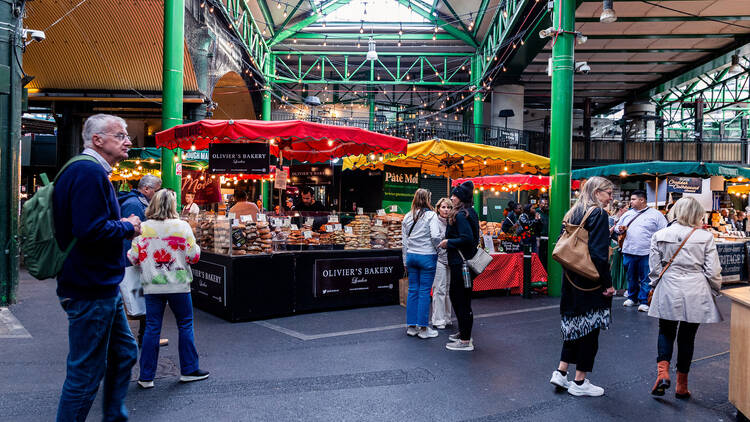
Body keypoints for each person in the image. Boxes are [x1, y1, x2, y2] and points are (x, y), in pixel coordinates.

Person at [52, 114, 140, 421]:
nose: (128, 141)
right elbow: (89, 229)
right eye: (120, 136)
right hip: (91, 288)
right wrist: (127, 226)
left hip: (100, 285)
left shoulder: (85, 171)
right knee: (85, 374)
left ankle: (115, 416)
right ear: (98, 140)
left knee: (125, 352)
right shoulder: (88, 173)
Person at [128, 189, 209, 389]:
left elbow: (133, 258)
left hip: (152, 285)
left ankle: (146, 376)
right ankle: (189, 370)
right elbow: (193, 257)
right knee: (185, 324)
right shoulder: (182, 227)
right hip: (178, 284)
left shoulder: (143, 228)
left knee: (151, 329)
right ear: (173, 206)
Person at [648, 197, 722, 399]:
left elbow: (654, 267)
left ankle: (662, 374)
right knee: (688, 337)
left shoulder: (660, 234)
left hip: (669, 285)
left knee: (666, 331)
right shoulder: (705, 237)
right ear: (698, 214)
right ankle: (682, 385)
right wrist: (715, 290)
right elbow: (713, 271)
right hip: (696, 287)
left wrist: (656, 284)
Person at [549, 176, 615, 397]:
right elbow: (598, 253)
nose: (610, 198)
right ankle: (579, 382)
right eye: (608, 193)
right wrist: (607, 284)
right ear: (597, 192)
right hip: (590, 280)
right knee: (589, 330)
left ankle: (561, 371)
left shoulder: (573, 212)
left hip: (571, 277)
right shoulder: (598, 214)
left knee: (573, 325)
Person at [118, 174, 166, 347]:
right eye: (156, 190)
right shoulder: (134, 204)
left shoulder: (136, 202)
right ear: (146, 189)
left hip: (132, 257)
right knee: (138, 300)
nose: (157, 194)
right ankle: (144, 338)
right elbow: (137, 234)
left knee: (140, 299)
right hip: (132, 259)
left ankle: (145, 336)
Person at [439, 180, 480, 352]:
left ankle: (465, 340)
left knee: (460, 299)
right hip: (464, 263)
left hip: (461, 264)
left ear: (461, 198)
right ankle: (464, 332)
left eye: (455, 196)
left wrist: (448, 242)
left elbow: (467, 238)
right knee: (461, 298)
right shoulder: (470, 212)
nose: (452, 198)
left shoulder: (462, 215)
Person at [614, 190, 667, 312]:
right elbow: (617, 227)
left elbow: (664, 230)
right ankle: (632, 297)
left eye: (633, 199)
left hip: (647, 252)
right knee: (631, 276)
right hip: (628, 250)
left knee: (646, 277)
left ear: (642, 200)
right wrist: (619, 229)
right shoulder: (627, 214)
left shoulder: (656, 214)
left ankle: (644, 300)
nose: (630, 202)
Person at [402, 189, 442, 339]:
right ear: (428, 199)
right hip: (427, 256)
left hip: (411, 256)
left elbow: (404, 242)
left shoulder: (407, 216)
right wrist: (438, 249)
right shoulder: (431, 215)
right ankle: (424, 329)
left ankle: (411, 327)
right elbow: (435, 236)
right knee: (425, 292)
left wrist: (405, 260)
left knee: (413, 290)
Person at [430, 197, 453, 329]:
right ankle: (438, 320)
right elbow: (435, 241)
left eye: (448, 207)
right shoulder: (434, 221)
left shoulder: (453, 221)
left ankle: (447, 318)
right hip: (439, 259)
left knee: (449, 290)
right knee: (439, 289)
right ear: (438, 208)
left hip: (451, 259)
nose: (446, 210)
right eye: (443, 207)